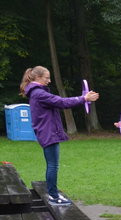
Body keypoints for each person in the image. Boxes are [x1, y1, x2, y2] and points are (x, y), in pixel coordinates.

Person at [20, 65, 100, 205]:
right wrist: (83, 98)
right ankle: (53, 196)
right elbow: (62, 102)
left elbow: (59, 102)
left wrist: (83, 99)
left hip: (47, 132)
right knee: (53, 165)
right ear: (38, 78)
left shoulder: (36, 92)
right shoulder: (39, 93)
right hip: (48, 133)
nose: (49, 80)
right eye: (47, 77)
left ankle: (54, 193)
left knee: (52, 165)